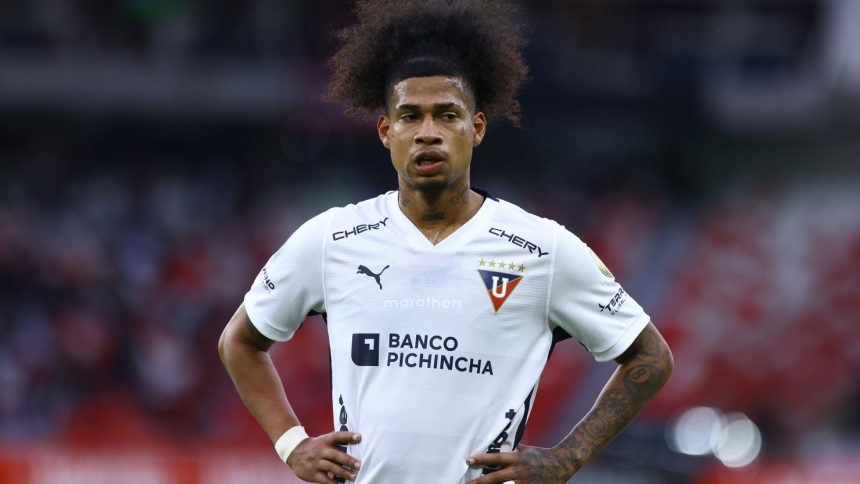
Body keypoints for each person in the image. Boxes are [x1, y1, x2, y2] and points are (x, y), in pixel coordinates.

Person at [218, 1, 674, 483]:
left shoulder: (541, 249)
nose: (427, 134)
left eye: (447, 115)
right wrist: (292, 444)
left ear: (476, 128)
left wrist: (568, 457)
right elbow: (240, 342)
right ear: (385, 131)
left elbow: (650, 355)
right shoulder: (332, 239)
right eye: (410, 117)